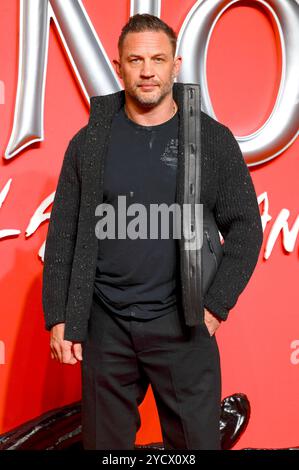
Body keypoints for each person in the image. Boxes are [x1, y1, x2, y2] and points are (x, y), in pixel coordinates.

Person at [42, 14, 263, 450]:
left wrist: (216, 305)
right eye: (136, 60)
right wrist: (59, 315)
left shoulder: (212, 141)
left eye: (158, 59)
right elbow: (63, 233)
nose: (147, 71)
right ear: (118, 66)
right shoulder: (87, 143)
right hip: (106, 326)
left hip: (183, 324)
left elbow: (246, 229)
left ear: (176, 65)